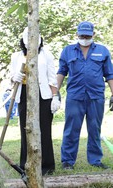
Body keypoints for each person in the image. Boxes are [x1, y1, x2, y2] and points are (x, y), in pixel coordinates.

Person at [58, 21, 113, 170]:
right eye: (81, 35)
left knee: (95, 129)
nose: (84, 38)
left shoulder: (103, 51)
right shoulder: (68, 51)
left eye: (87, 35)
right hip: (75, 96)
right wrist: (55, 93)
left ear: (93, 35)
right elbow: (61, 72)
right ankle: (68, 161)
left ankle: (95, 160)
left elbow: (109, 74)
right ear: (76, 34)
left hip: (96, 96)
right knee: (71, 129)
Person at [10, 27, 60, 175]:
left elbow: (52, 78)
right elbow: (11, 76)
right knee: (26, 130)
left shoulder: (47, 55)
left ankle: (46, 165)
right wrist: (15, 77)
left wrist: (55, 96)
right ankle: (26, 164)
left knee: (44, 130)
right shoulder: (16, 56)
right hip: (24, 93)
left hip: (42, 94)